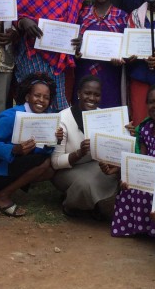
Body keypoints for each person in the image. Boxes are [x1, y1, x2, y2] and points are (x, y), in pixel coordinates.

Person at [14, 0, 86, 111]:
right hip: (31, 52)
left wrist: (79, 36)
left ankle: (57, 137)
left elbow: (78, 19)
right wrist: (23, 21)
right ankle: (28, 136)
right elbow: (11, 13)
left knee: (57, 100)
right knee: (33, 98)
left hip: (58, 55)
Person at [0, 74, 59, 217]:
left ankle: (1, 190)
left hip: (14, 164)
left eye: (46, 97)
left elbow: (40, 151)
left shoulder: (46, 118)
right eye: (37, 95)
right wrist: (13, 149)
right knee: (44, 163)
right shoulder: (11, 115)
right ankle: (2, 196)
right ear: (27, 97)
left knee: (51, 168)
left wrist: (52, 142)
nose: (41, 100)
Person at [108, 84, 155, 239]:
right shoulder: (144, 128)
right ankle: (138, 228)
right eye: (152, 101)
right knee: (129, 187)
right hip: (147, 175)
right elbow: (140, 157)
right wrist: (131, 176)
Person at [51, 76, 120, 219]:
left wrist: (126, 133)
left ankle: (92, 204)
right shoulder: (63, 118)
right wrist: (79, 153)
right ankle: (72, 205)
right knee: (86, 184)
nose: (92, 98)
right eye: (87, 93)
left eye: (96, 94)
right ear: (78, 94)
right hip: (68, 169)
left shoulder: (104, 117)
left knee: (117, 174)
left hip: (95, 165)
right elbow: (55, 162)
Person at [74, 0, 129, 108]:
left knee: (108, 112)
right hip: (84, 71)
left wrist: (122, 57)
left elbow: (127, 46)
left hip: (111, 74)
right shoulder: (82, 13)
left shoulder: (122, 16)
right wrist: (76, 49)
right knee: (83, 111)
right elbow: (73, 42)